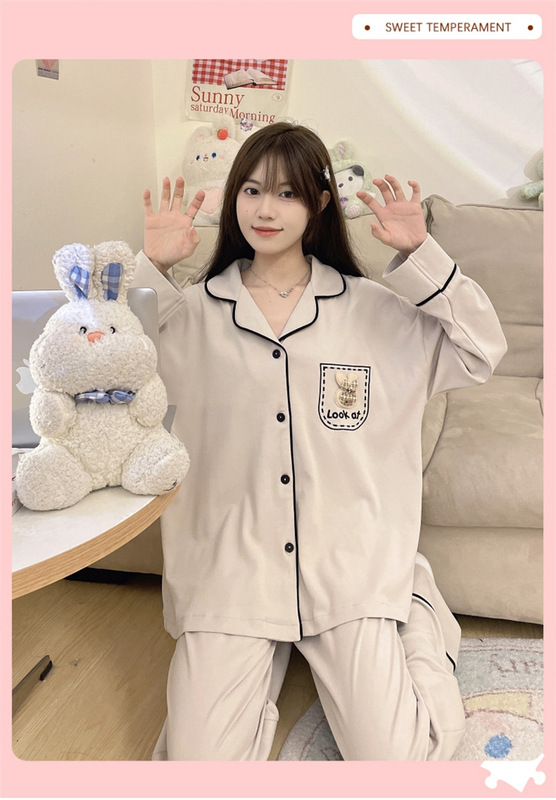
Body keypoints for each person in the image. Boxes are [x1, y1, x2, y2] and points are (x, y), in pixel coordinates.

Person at [134, 122, 507, 761]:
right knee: (195, 768)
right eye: (252, 191)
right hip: (234, 571)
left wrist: (423, 255)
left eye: (287, 193)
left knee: (401, 764)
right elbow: (107, 374)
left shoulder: (374, 310)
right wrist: (151, 273)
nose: (266, 209)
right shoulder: (188, 314)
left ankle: (413, 603)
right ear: (233, 199)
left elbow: (481, 351)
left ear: (321, 204)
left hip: (349, 566)